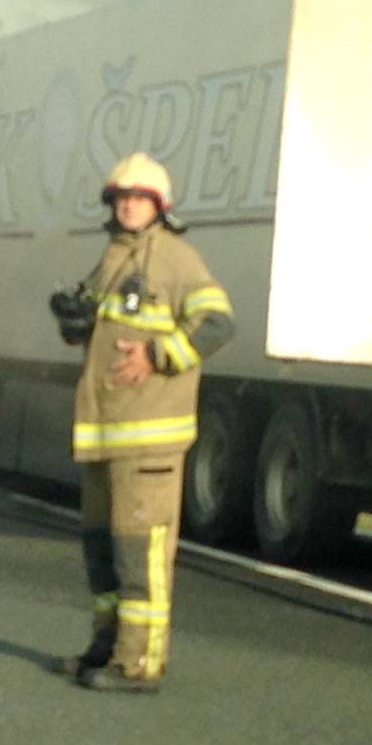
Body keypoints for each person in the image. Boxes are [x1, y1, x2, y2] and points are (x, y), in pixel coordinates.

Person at [50, 152, 234, 694]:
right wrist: (73, 321)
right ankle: (105, 646)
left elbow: (218, 322)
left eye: (139, 196)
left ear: (161, 205)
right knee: (101, 547)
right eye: (120, 196)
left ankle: (139, 663)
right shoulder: (113, 258)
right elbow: (95, 328)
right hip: (105, 430)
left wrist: (157, 357)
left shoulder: (175, 259)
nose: (128, 204)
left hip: (148, 436)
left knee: (139, 553)